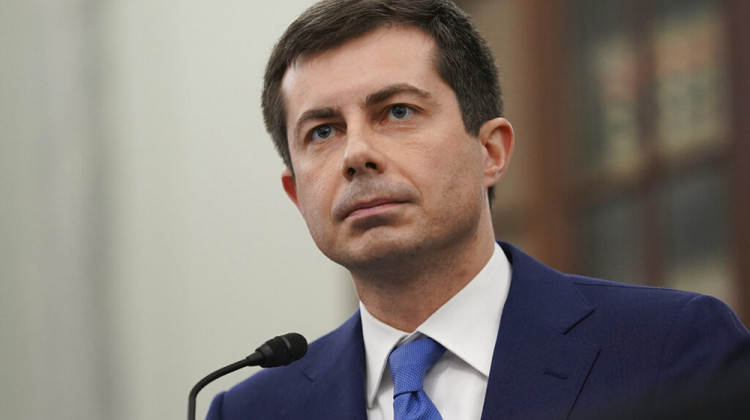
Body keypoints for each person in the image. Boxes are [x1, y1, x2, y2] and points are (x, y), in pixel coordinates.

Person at [207, 1, 750, 419]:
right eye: (323, 131)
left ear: (491, 152)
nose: (356, 154)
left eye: (397, 111)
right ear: (297, 195)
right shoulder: (251, 410)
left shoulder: (669, 347)